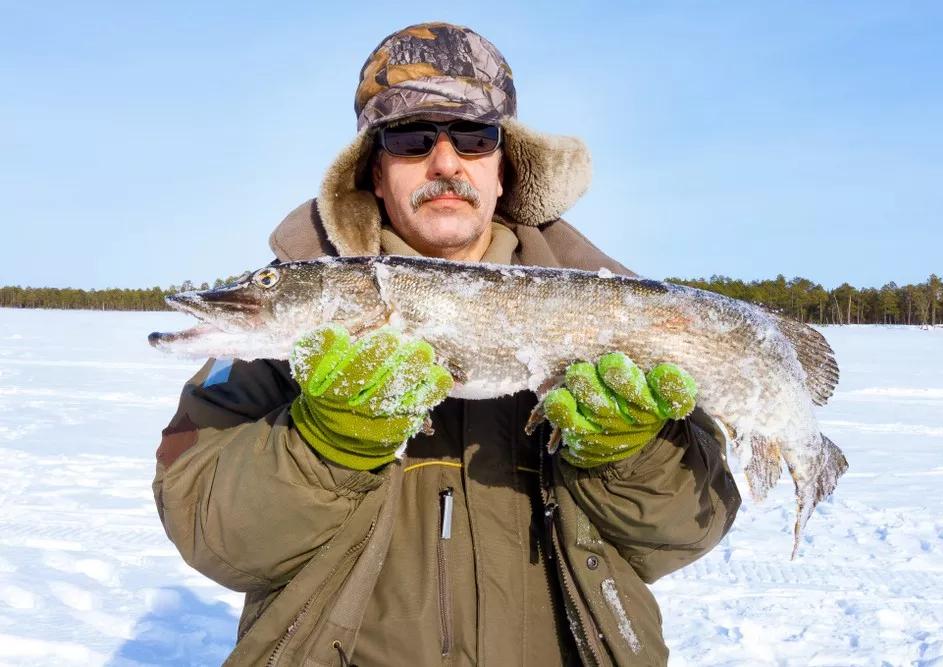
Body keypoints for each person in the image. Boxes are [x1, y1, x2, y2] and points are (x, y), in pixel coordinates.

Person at [153, 22, 741, 666]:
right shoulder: (275, 343)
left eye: (473, 136)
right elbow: (214, 538)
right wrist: (323, 446)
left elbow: (687, 532)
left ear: (502, 167)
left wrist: (635, 456)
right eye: (409, 139)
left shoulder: (618, 309)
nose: (444, 161)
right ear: (373, 173)